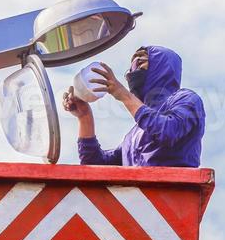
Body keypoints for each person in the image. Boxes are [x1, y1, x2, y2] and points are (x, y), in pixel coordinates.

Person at [62, 45, 205, 168]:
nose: (132, 71)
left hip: (173, 197)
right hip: (135, 200)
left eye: (140, 61)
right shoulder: (133, 136)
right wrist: (84, 116)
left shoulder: (187, 99)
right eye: (131, 67)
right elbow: (94, 164)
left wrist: (124, 95)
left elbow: (168, 131)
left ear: (161, 68)